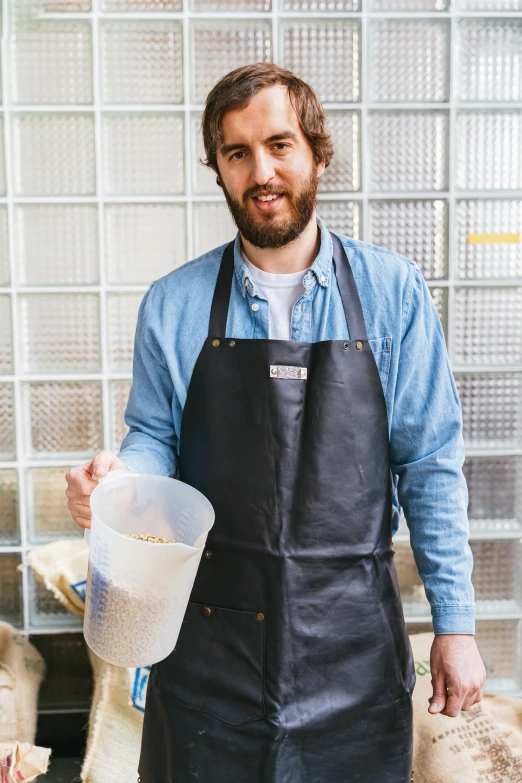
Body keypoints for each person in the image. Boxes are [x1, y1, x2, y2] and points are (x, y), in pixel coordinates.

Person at [66, 62, 486, 783]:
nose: (261, 170)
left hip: (354, 657)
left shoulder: (393, 294)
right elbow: (155, 437)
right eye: (237, 152)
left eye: (280, 145)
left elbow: (429, 465)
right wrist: (121, 484)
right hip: (208, 657)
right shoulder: (173, 303)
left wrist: (456, 621)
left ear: (317, 153)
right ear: (220, 171)